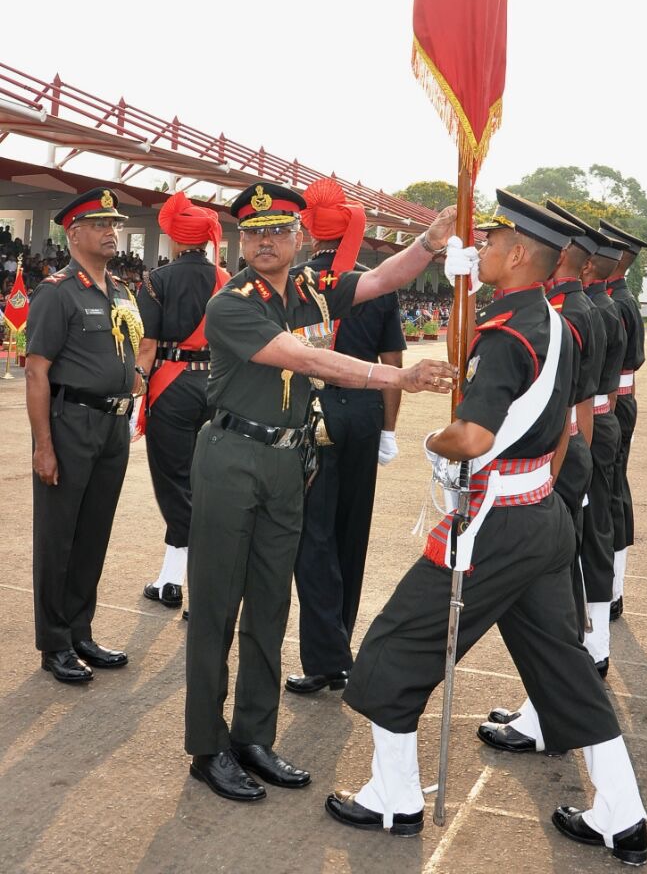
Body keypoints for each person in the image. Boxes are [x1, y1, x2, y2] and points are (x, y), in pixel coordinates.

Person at [326, 190, 647, 866]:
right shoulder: (555, 322)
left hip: (496, 525)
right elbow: (558, 433)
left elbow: (471, 434)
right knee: (564, 670)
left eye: (494, 242)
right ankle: (622, 813)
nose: (486, 248)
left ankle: (395, 796)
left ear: (521, 253)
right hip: (541, 514)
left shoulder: (509, 337)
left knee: (391, 650)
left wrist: (433, 446)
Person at [185, 181, 457, 805]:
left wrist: (427, 244)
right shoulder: (232, 302)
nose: (264, 241)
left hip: (288, 462)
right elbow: (307, 362)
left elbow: (378, 281)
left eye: (278, 231)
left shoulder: (306, 288)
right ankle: (207, 745)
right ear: (240, 241)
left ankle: (254, 735)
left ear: (300, 238)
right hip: (232, 458)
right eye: (253, 233)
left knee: (272, 606)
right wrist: (400, 376)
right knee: (218, 608)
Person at [479, 200, 607, 749]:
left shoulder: (566, 316)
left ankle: (543, 712)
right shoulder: (563, 309)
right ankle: (541, 708)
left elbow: (571, 413)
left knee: (554, 600)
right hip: (556, 458)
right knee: (546, 604)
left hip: (553, 460)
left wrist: (550, 481)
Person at [285, 178, 406, 696]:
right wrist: (388, 429)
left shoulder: (293, 283)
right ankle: (341, 646)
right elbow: (392, 363)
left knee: (312, 539)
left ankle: (325, 658)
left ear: (312, 235)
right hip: (363, 410)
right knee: (350, 532)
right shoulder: (375, 283)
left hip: (310, 411)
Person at [26, 187, 145, 684]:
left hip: (113, 425)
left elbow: (134, 352)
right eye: (100, 225)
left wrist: (133, 379)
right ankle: (54, 643)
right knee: (59, 536)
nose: (110, 232)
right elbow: (36, 372)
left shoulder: (120, 291)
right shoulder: (58, 291)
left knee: (93, 532)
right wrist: (43, 445)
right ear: (74, 234)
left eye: (113, 225)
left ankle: (80, 630)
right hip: (71, 423)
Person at [135, 192, 229, 610]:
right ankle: (187, 584)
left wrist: (134, 388)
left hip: (170, 386)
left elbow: (147, 346)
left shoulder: (156, 280)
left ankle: (179, 583)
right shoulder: (227, 279)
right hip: (216, 385)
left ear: (174, 240)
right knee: (212, 484)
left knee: (174, 484)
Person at [550, 207, 626, 679]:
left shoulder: (577, 313)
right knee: (589, 538)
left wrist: (574, 463)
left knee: (583, 544)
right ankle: (591, 643)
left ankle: (591, 645)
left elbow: (581, 400)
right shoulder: (590, 307)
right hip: (590, 433)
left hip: (580, 436)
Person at [599, 219, 647, 621]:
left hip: (612, 403)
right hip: (621, 400)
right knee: (615, 491)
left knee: (609, 496)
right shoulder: (621, 298)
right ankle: (613, 587)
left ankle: (611, 590)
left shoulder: (614, 302)